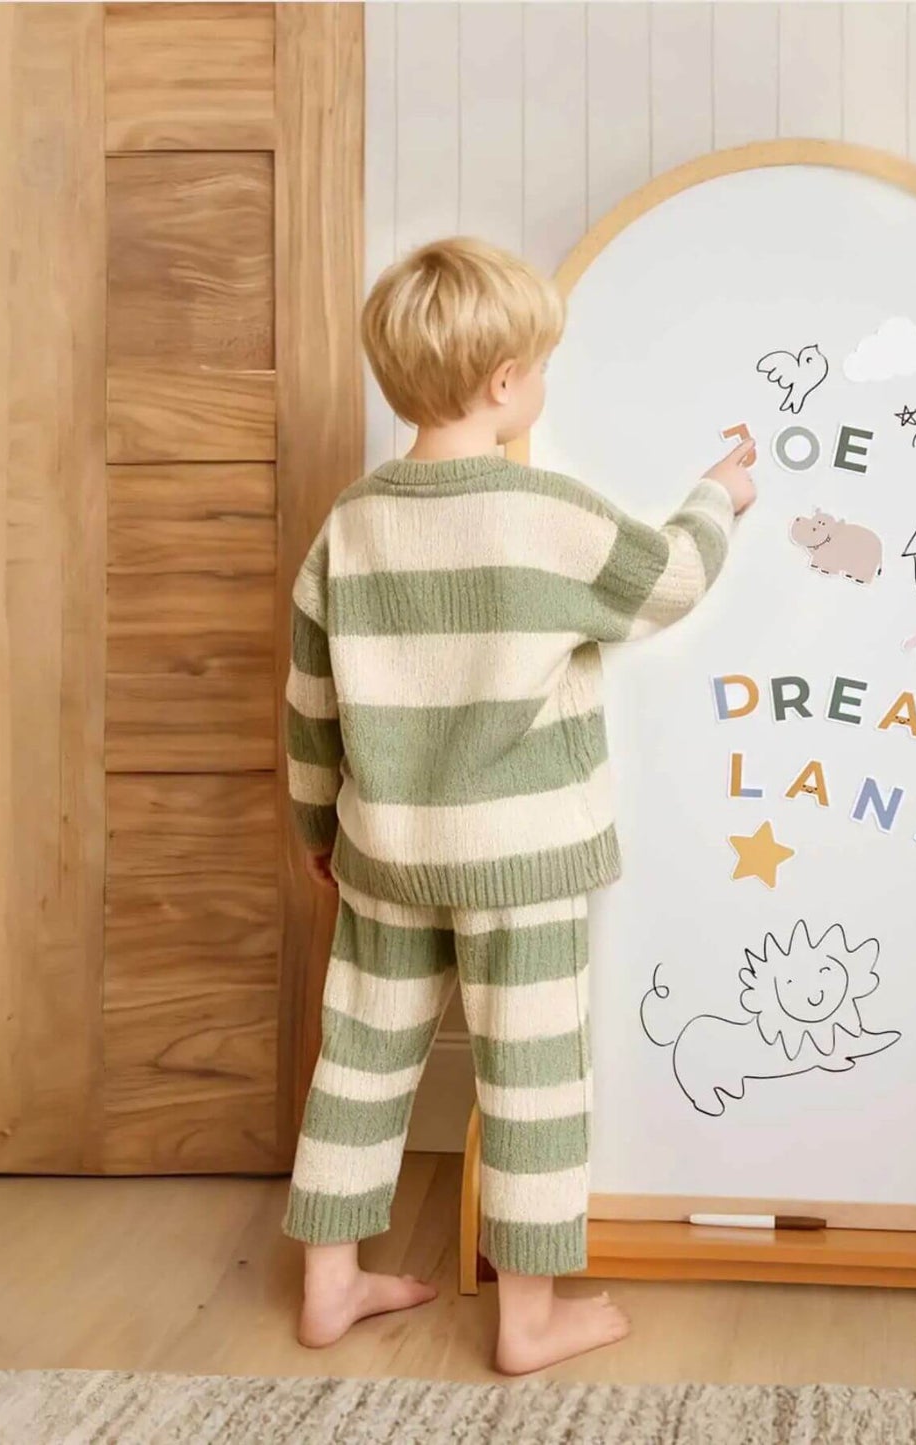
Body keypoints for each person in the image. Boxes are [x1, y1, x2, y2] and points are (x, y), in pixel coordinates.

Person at [282, 236, 756, 1373]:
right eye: (538, 365)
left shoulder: (349, 527)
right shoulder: (543, 513)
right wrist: (716, 494)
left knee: (359, 1059)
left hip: (386, 856)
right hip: (523, 860)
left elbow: (308, 705)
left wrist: (317, 834)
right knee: (532, 1076)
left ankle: (329, 1283)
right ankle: (527, 1314)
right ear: (504, 384)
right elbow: (669, 579)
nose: (541, 382)